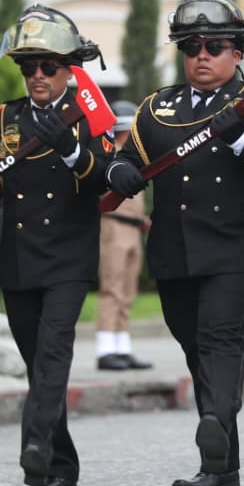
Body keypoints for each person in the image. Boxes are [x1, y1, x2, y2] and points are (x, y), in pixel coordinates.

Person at [108, 0, 244, 486]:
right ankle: (222, 464)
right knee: (198, 350)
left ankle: (213, 422)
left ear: (238, 51)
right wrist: (120, 170)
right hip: (175, 251)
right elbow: (129, 154)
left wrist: (241, 140)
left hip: (238, 246)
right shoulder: (158, 106)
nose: (203, 55)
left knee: (220, 338)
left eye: (214, 45)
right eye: (192, 46)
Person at [0, 5, 112, 486]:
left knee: (54, 353)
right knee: (38, 362)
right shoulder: (6, 120)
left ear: (68, 69)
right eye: (29, 66)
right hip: (19, 257)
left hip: (68, 259)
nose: (37, 76)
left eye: (48, 66)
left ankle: (34, 447)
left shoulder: (87, 115)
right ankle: (62, 464)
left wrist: (72, 149)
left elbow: (108, 178)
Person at [96, 100, 153, 371]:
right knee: (113, 287)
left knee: (128, 289)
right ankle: (106, 348)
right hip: (113, 226)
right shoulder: (112, 157)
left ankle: (122, 346)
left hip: (132, 227)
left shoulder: (132, 157)